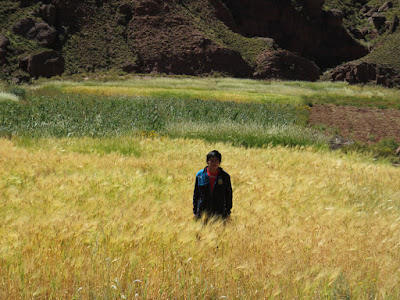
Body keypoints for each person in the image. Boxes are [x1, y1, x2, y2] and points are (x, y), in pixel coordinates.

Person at [193, 150, 232, 219]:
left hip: (219, 213)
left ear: (219, 162)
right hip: (202, 212)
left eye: (216, 161)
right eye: (211, 161)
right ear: (207, 162)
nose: (214, 163)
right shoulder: (200, 175)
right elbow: (196, 195)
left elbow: (228, 195)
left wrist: (228, 212)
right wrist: (195, 212)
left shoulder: (225, 176)